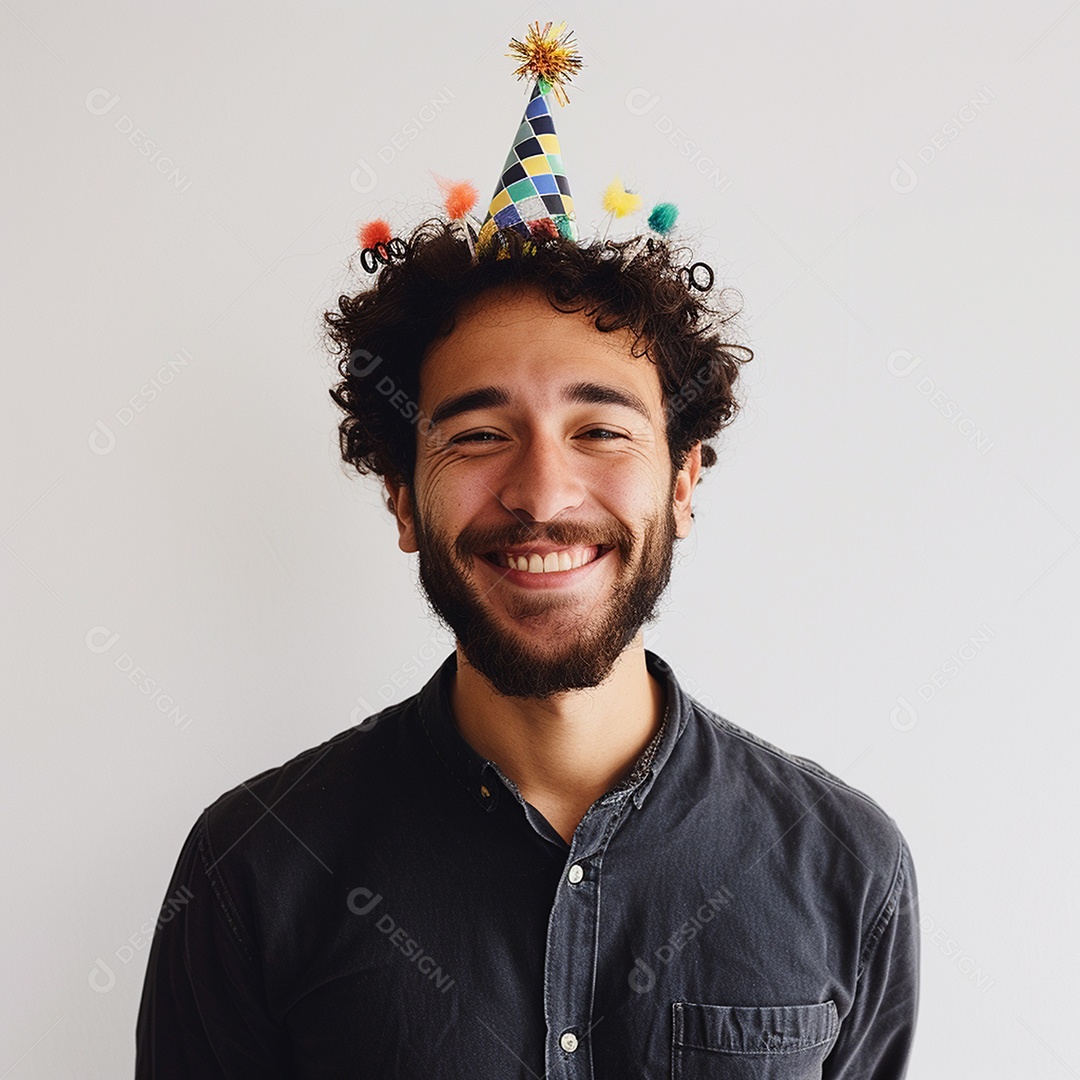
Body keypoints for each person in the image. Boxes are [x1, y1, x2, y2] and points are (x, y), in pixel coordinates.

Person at [135, 22, 918, 1079]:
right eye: (477, 436)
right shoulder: (251, 869)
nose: (543, 494)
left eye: (600, 430)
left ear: (684, 482)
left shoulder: (845, 869)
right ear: (403, 499)